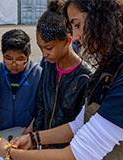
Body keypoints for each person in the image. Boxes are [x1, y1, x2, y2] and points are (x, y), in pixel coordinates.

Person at [0, 0, 123, 159]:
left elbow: (77, 154)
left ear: (103, 18)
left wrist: (8, 153)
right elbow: (79, 124)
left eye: (77, 25)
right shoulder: (110, 68)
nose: (75, 37)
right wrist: (34, 138)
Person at [32, 0, 92, 148]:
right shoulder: (47, 64)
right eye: (40, 48)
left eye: (48, 48)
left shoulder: (85, 77)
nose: (44, 54)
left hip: (66, 150)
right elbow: (41, 104)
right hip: (42, 143)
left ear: (68, 40)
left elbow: (80, 126)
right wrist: (34, 136)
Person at [0, 29, 42, 133]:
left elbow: (42, 106)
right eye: (8, 58)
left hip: (27, 130)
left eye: (20, 59)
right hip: (2, 130)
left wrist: (31, 128)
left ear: (28, 56)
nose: (14, 64)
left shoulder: (38, 73)